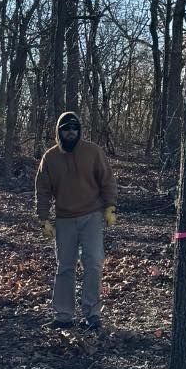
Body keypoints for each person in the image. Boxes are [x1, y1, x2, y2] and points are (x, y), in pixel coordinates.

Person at [34, 111, 116, 332]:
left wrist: (110, 207)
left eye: (75, 127)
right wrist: (44, 219)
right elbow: (42, 190)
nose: (71, 131)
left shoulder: (93, 152)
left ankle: (92, 314)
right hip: (64, 219)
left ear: (80, 130)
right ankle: (63, 315)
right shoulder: (50, 158)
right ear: (59, 131)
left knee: (93, 264)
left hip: (92, 216)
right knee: (65, 267)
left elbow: (107, 180)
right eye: (66, 128)